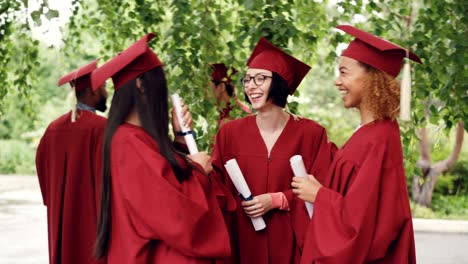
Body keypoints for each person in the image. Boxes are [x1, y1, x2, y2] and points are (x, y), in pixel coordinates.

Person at [92, 33, 234, 263]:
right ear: (142, 85)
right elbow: (173, 213)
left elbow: (166, 178)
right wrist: (198, 169)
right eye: (160, 83)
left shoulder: (138, 137)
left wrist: (179, 139)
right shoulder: (128, 142)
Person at [291, 25, 421, 263]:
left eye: (344, 72)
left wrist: (319, 195)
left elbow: (363, 224)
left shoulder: (378, 139)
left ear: (372, 78)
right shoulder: (371, 133)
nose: (337, 81)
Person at [211, 37, 336, 264]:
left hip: (291, 243)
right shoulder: (230, 133)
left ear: (279, 82)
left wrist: (279, 199)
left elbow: (324, 189)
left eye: (260, 79)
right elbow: (215, 188)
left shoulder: (311, 134)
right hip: (243, 242)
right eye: (247, 79)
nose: (250, 86)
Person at [36, 59, 108, 264]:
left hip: (62, 214)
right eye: (103, 86)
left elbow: (43, 174)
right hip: (92, 219)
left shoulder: (53, 128)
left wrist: (59, 199)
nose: (106, 92)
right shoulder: (101, 128)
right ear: (93, 90)